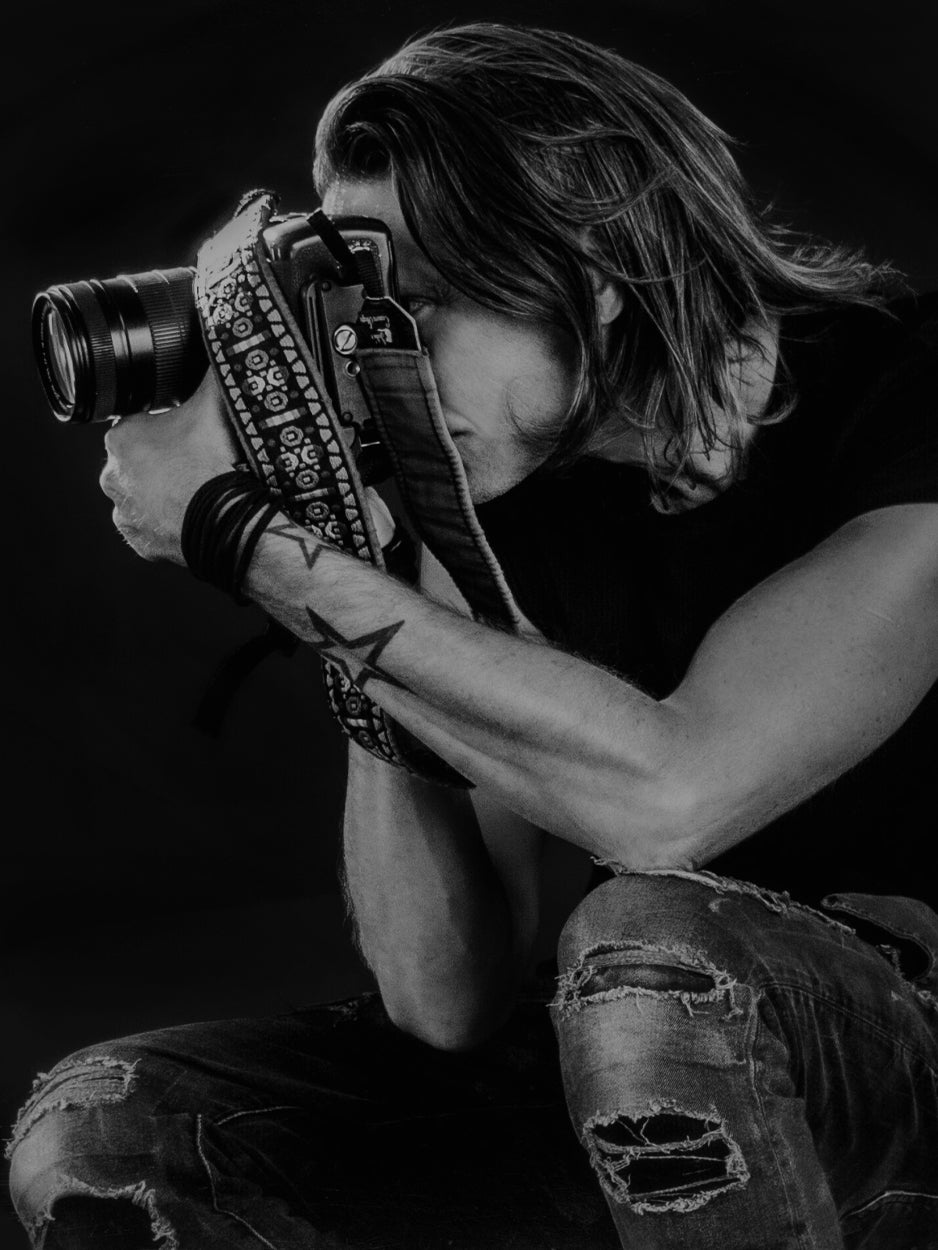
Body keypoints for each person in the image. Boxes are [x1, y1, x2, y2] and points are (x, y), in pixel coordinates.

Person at [7, 21, 938, 1250]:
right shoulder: (494, 503)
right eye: (352, 311)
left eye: (420, 305)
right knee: (112, 1130)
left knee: (646, 945)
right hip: (666, 1087)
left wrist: (246, 539)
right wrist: (352, 553)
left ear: (594, 275)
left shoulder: (903, 381)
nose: (373, 353)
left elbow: (673, 798)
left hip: (894, 1053)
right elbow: (441, 997)